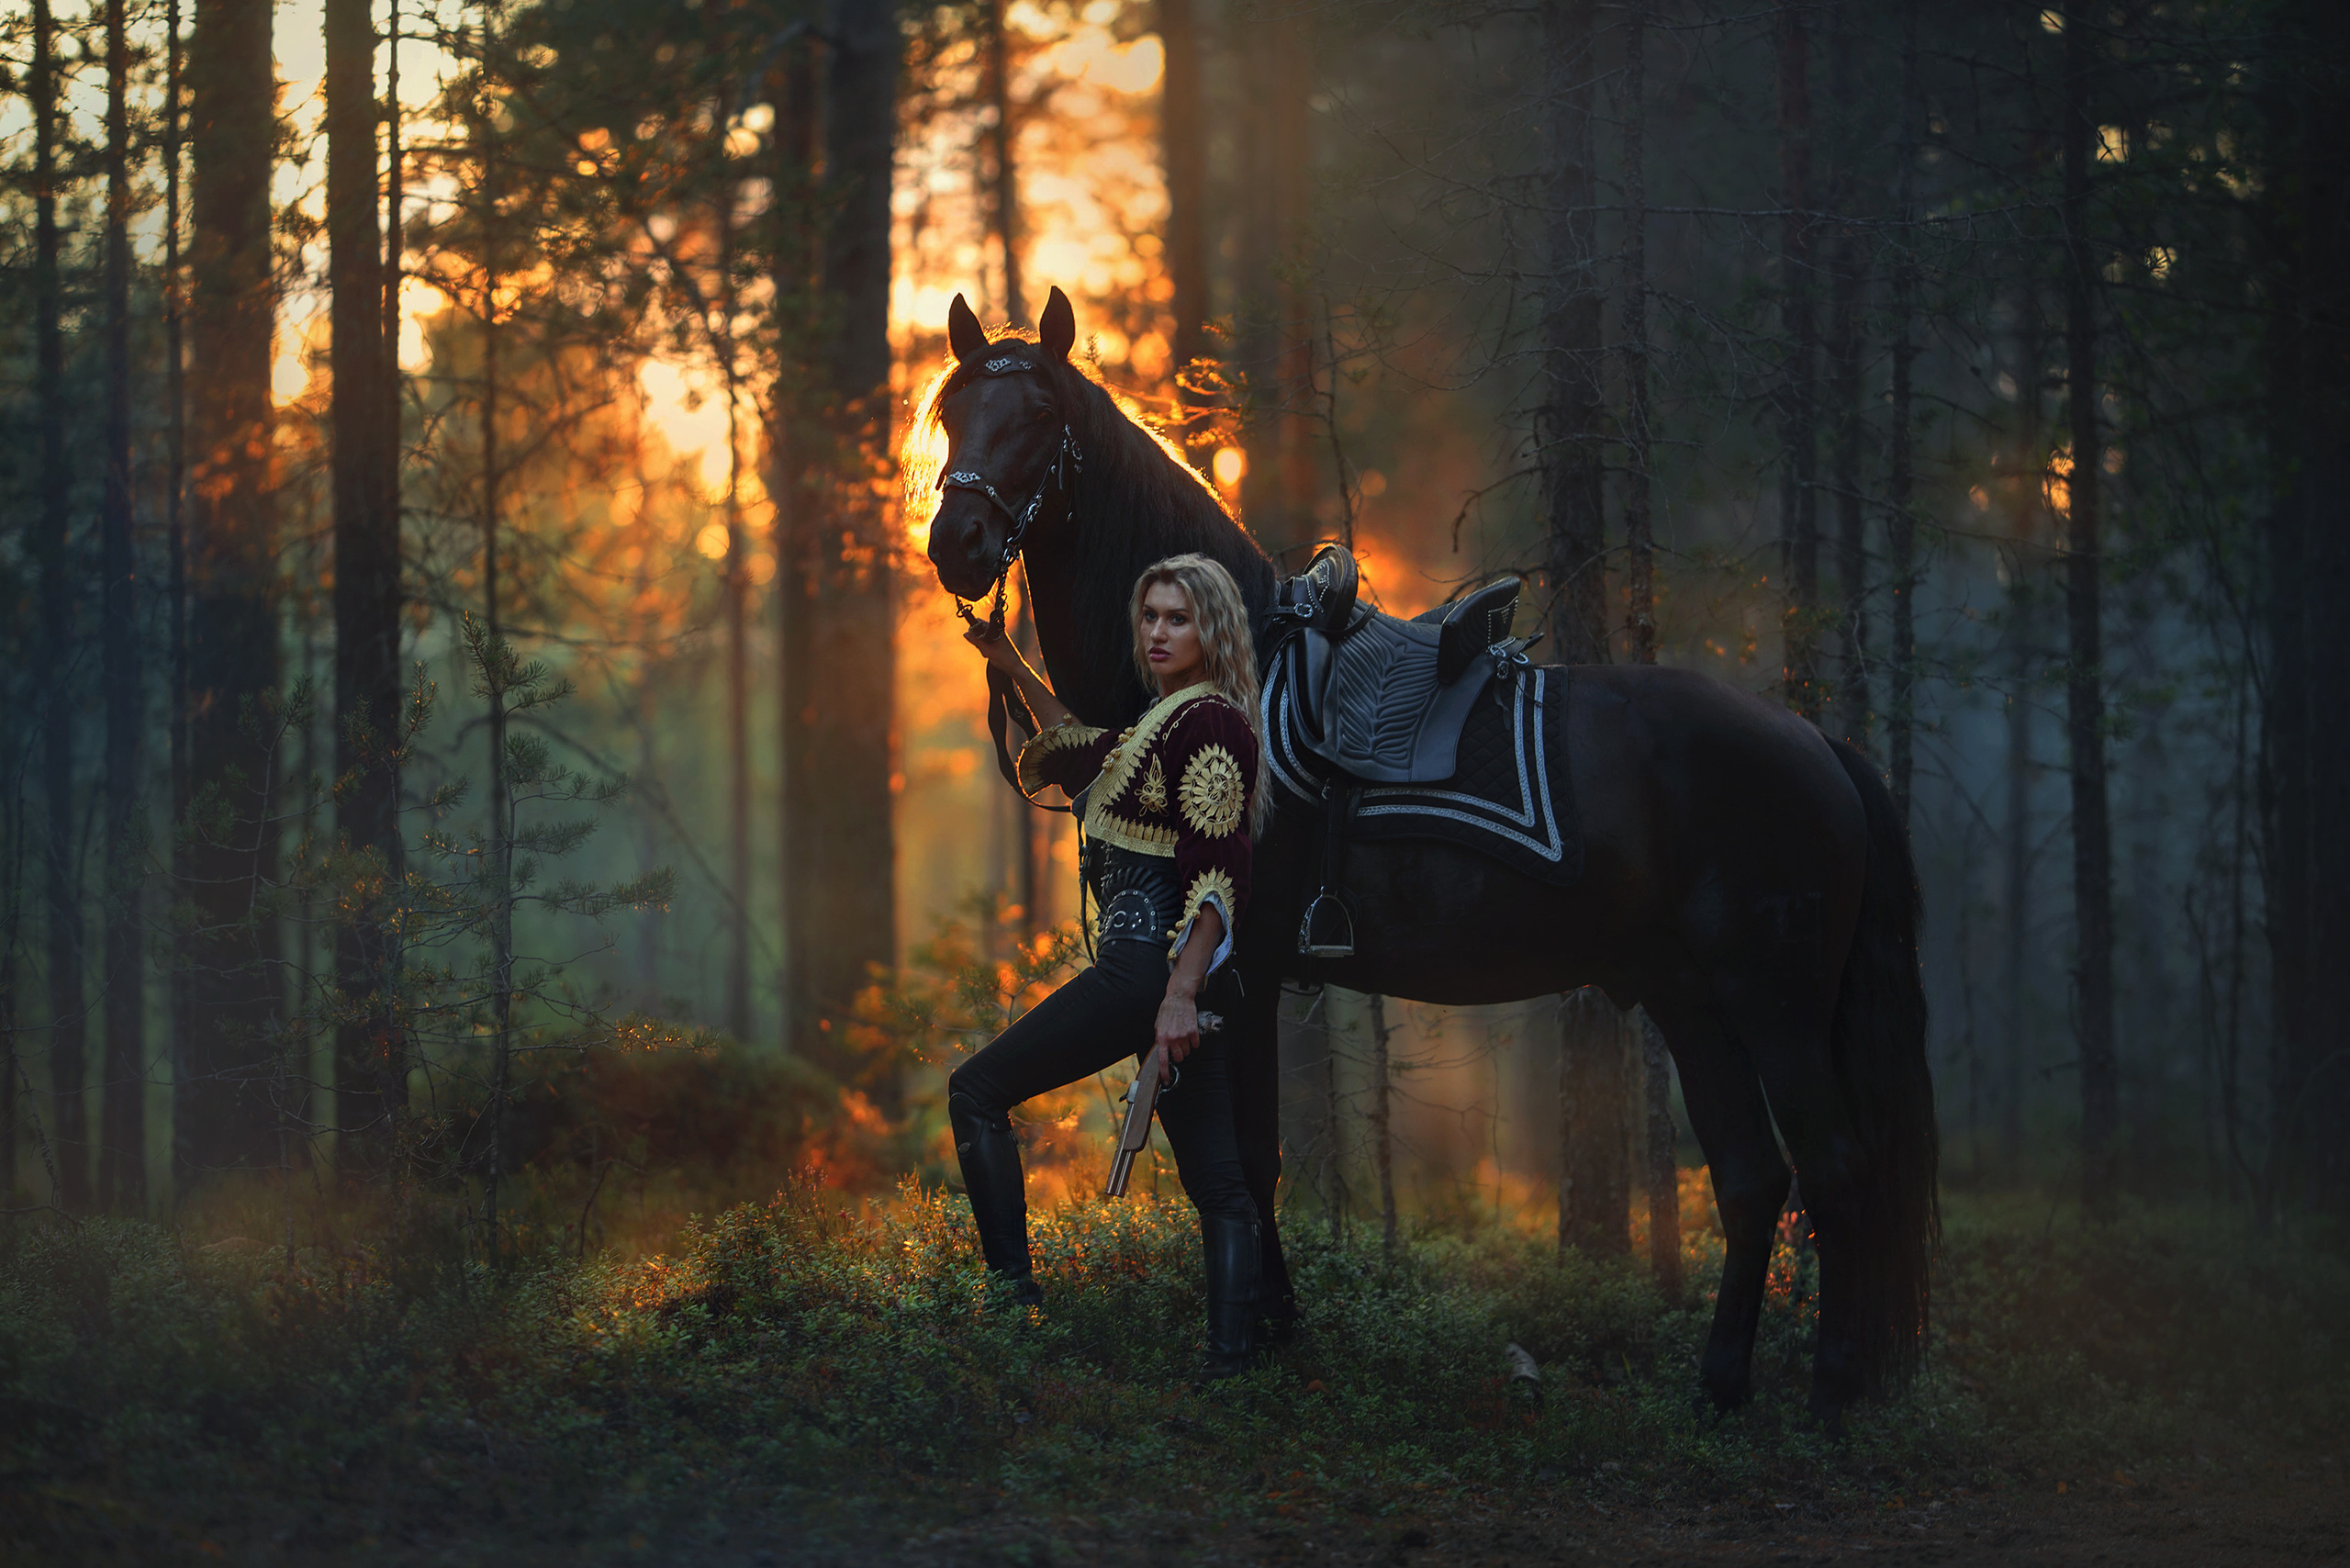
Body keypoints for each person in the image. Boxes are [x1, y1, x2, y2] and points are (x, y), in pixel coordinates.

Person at [952, 552, 1270, 1379]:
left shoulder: (1212, 725)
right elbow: (1081, 749)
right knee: (1221, 1188)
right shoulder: (1160, 724)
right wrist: (1007, 659)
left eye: (1179, 618)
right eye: (1151, 617)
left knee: (976, 1092)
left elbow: (1216, 879)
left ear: (1213, 630)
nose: (1159, 632)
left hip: (1147, 977)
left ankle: (1010, 1319)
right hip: (1158, 983)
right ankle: (1232, 1377)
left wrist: (1176, 998)